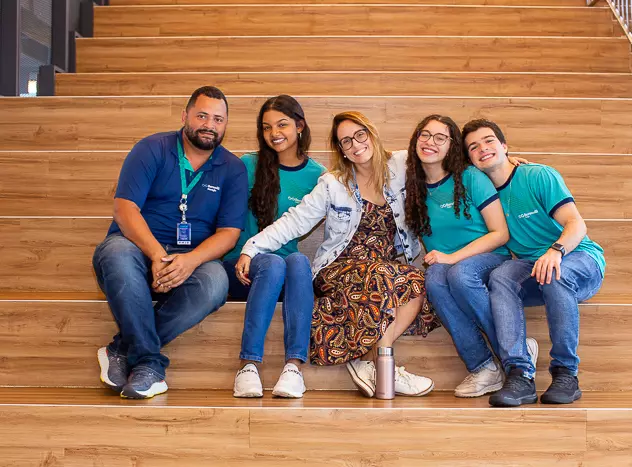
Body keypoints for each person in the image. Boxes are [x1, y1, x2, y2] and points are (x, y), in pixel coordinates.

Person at [237, 111, 439, 398]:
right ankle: (384, 368)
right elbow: (294, 221)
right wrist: (252, 247)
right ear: (341, 150)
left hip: (384, 266)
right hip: (339, 267)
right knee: (384, 277)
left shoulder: (401, 165)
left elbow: (439, 160)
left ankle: (371, 362)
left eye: (360, 135)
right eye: (346, 141)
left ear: (372, 134)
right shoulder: (333, 183)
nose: (356, 145)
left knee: (416, 281)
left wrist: (497, 165)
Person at [93, 86, 248, 399]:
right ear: (184, 116)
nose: (209, 124)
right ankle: (150, 364)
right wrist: (156, 255)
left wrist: (189, 261)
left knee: (216, 281)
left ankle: (122, 349)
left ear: (225, 125)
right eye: (202, 115)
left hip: (190, 262)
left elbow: (229, 233)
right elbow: (124, 209)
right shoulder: (151, 148)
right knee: (116, 252)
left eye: (218, 119)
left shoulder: (233, 168)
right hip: (137, 251)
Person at [463, 119, 605, 407]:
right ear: (469, 159)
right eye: (473, 147)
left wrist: (556, 251)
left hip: (578, 258)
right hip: (532, 265)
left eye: (489, 141)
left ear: (504, 146)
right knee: (501, 276)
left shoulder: (538, 175)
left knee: (556, 273)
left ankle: (566, 373)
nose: (483, 149)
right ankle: (520, 375)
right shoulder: (482, 192)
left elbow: (576, 224)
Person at [405, 114, 538, 398]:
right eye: (425, 135)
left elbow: (500, 233)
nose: (430, 142)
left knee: (460, 273)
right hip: (447, 264)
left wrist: (453, 257)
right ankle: (483, 366)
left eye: (440, 138)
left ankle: (515, 348)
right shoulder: (413, 185)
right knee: (434, 279)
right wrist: (448, 260)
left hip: (491, 257)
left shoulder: (470, 177)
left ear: (451, 146)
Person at [224, 95, 325, 398]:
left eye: (282, 125)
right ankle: (248, 365)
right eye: (266, 127)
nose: (274, 133)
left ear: (299, 126)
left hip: (284, 276)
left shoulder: (317, 176)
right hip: (240, 269)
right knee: (272, 262)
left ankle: (293, 368)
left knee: (298, 262)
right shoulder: (247, 165)